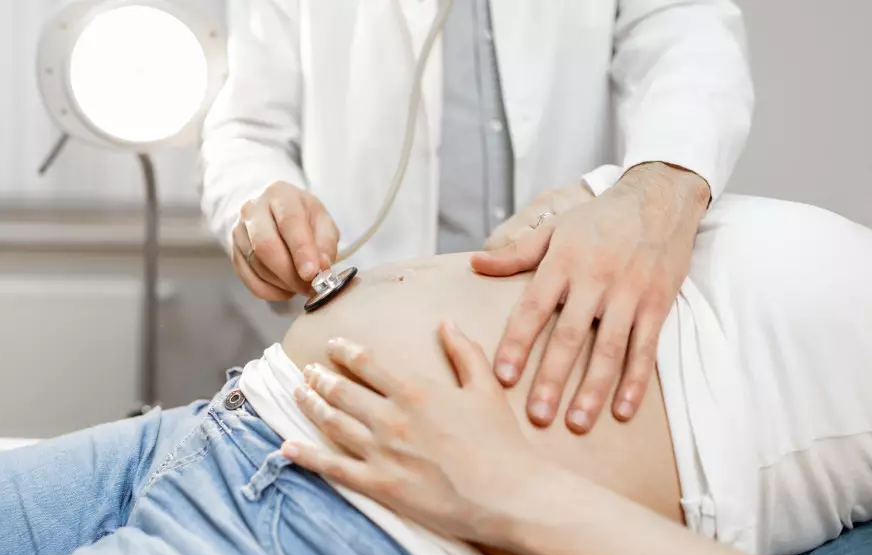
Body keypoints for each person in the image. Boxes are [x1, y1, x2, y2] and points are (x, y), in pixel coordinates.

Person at [0, 195, 869, 555]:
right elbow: (556, 229)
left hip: (351, 522)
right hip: (224, 421)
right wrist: (621, 188)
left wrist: (501, 487)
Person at [201, 1, 755, 433]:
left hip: (550, 348)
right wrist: (260, 201)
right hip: (357, 353)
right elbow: (247, 130)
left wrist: (661, 184)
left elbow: (688, 34)